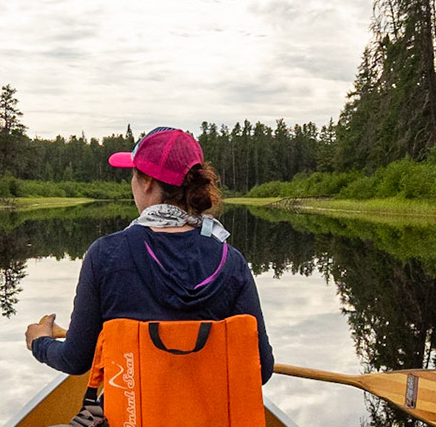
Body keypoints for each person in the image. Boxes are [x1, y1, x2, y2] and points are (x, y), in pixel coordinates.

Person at [25, 125, 274, 382]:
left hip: (130, 421)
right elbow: (261, 370)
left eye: (133, 175)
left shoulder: (105, 254)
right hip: (207, 420)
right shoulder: (230, 261)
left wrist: (40, 342)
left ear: (147, 183)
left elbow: (74, 359)